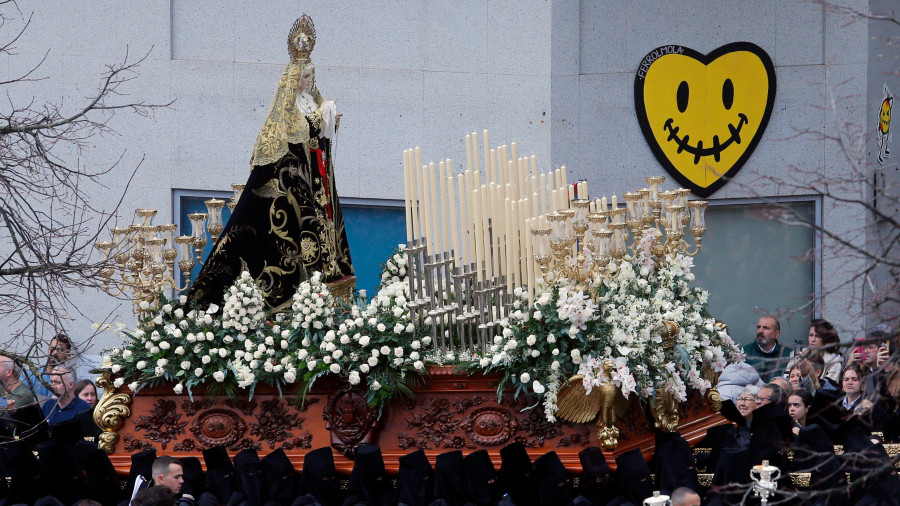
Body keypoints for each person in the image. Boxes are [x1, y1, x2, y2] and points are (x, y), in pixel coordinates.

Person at [188, 14, 353, 310]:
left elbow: (316, 135)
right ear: (293, 79)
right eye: (304, 77)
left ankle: (330, 269)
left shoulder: (313, 100)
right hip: (296, 181)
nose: (309, 81)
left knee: (324, 223)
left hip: (316, 174)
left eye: (312, 77)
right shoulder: (289, 106)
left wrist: (330, 122)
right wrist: (319, 119)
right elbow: (295, 131)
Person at [784, 319, 842, 384]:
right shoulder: (799, 355)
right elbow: (786, 378)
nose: (813, 339)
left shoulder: (834, 363)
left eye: (817, 336)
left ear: (826, 338)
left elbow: (827, 389)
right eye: (811, 335)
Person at [744, 316, 791, 381]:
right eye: (758, 327)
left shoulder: (788, 355)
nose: (760, 331)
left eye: (766, 328)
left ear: (777, 334)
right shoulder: (744, 353)